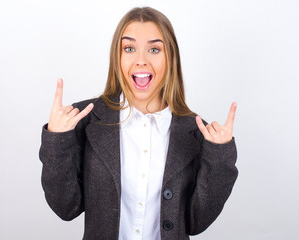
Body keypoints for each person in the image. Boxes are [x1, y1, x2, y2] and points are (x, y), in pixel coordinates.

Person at [39, 6, 238, 240]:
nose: (141, 60)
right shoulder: (85, 119)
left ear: (170, 58)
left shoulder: (196, 131)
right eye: (130, 48)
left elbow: (196, 223)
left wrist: (219, 156)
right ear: (118, 57)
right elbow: (66, 208)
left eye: (154, 49)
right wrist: (57, 139)